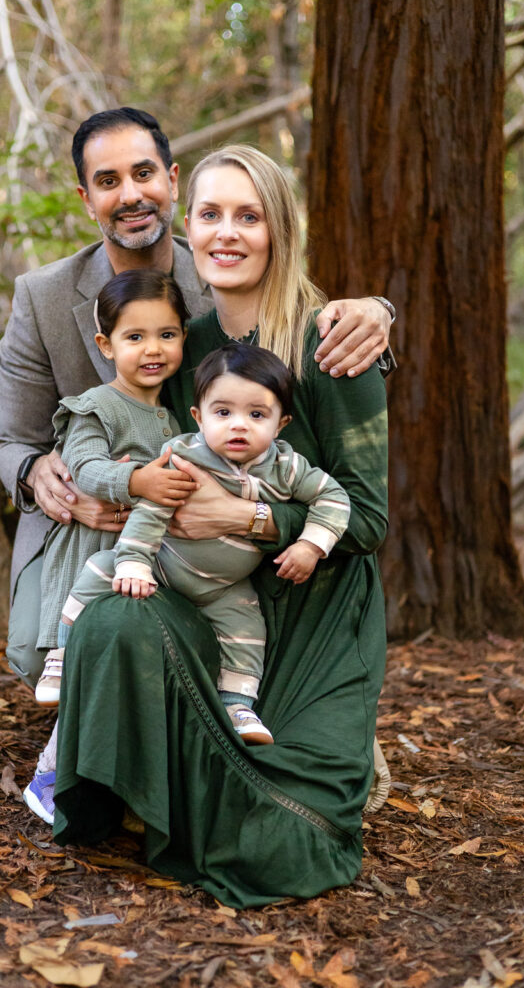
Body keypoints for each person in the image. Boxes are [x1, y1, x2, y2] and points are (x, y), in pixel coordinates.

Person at [51, 146, 389, 908]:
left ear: (280, 229)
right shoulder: (184, 343)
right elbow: (119, 431)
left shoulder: (331, 344)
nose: (226, 232)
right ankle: (117, 785)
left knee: (293, 838)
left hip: (314, 612)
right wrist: (74, 477)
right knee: (110, 619)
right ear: (187, 227)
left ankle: (233, 775)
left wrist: (249, 516)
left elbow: (367, 518)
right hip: (203, 591)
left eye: (249, 215)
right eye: (210, 214)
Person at [0, 108, 396, 690]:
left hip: (208, 517)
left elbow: (296, 324)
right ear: (86, 199)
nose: (130, 194)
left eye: (143, 174)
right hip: (84, 514)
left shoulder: (216, 273)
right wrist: (40, 475)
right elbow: (13, 441)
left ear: (172, 181)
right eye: (108, 182)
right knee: (48, 656)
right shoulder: (42, 298)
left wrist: (379, 311)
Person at [49, 343, 350, 747]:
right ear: (198, 416)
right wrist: (135, 561)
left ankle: (237, 703)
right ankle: (62, 656)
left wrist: (311, 545)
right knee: (99, 569)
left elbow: (334, 497)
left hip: (226, 586)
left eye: (257, 414)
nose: (238, 425)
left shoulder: (286, 467)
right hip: (164, 565)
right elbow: (152, 510)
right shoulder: (186, 457)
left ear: (281, 424)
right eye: (223, 413)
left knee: (246, 628)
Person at [32, 268, 193, 704]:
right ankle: (60, 657)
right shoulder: (95, 407)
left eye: (167, 334)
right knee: (85, 632)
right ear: (107, 345)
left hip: (142, 552)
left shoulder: (178, 419)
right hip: (91, 540)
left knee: (129, 655)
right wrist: (137, 480)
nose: (153, 349)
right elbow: (83, 468)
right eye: (135, 337)